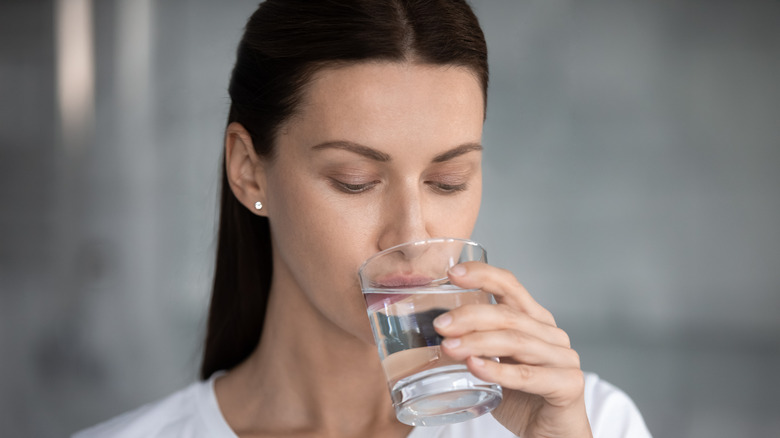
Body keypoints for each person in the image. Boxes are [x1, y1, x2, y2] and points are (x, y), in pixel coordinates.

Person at [74, 0, 651, 437]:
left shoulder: (588, 420)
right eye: (355, 181)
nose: (413, 235)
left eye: (446, 181)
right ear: (250, 171)